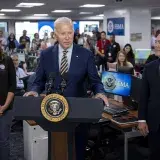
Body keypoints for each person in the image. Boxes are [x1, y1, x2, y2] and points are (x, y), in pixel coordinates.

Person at [24, 17, 109, 160]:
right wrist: (34, 90)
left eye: (70, 33)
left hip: (79, 112)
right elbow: (39, 80)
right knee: (57, 149)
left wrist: (100, 92)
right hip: (54, 110)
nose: (67, 37)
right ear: (55, 34)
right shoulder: (46, 55)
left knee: (78, 151)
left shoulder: (85, 54)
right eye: (63, 33)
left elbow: (95, 81)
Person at [138, 33, 160, 160]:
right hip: (155, 124)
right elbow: (144, 95)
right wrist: (141, 119)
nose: (157, 45)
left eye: (159, 42)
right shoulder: (150, 67)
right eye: (156, 42)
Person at [0, 48, 16, 159]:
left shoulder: (7, 60)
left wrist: (4, 107)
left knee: (3, 140)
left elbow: (12, 85)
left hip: (5, 107)